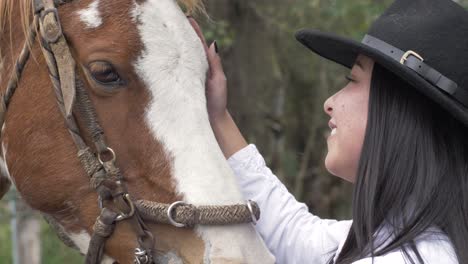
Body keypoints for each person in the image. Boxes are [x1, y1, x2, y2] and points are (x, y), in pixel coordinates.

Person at [192, 0, 468, 263]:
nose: (329, 103)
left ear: (401, 113)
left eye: (352, 80)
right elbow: (293, 234)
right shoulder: (412, 240)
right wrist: (219, 117)